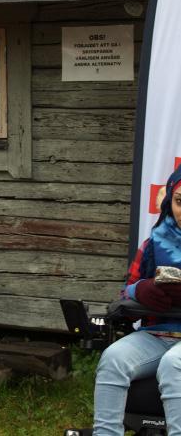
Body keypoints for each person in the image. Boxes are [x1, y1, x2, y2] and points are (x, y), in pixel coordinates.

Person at [93, 165, 181, 435]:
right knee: (113, 358)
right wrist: (141, 289)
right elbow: (125, 293)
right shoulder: (153, 243)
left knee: (173, 364)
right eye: (180, 201)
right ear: (169, 201)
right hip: (155, 335)